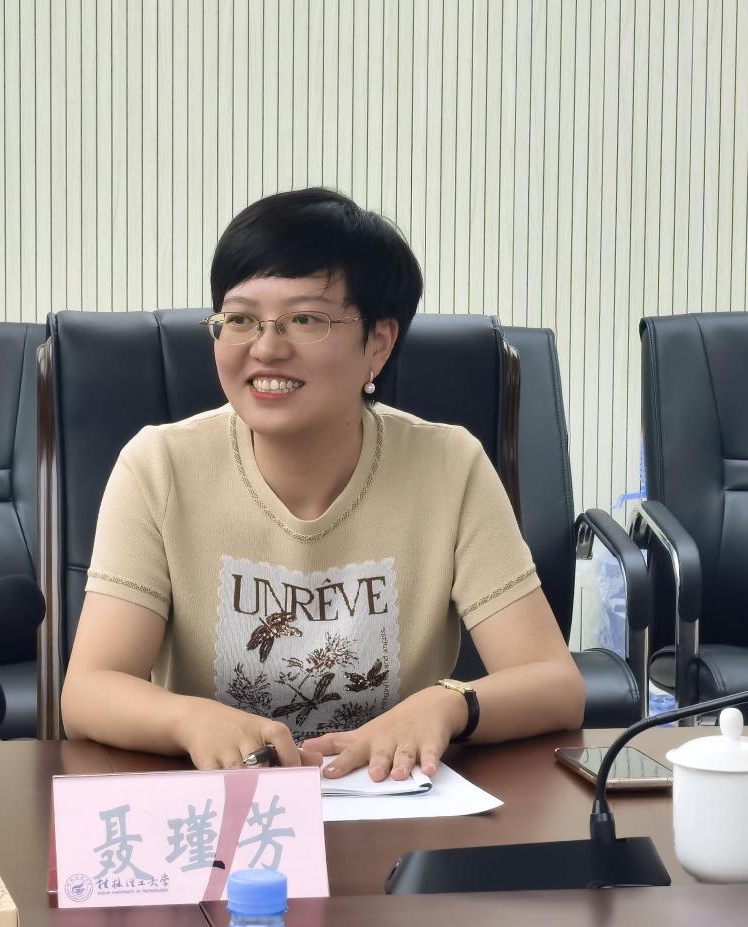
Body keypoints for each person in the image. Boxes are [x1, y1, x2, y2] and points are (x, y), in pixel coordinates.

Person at [61, 187, 585, 781]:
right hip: (224, 809)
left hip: (391, 800)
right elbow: (89, 691)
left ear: (378, 344)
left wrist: (447, 705)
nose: (266, 348)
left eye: (305, 320)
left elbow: (554, 683)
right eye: (240, 320)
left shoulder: (450, 465)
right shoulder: (157, 466)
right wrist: (190, 720)